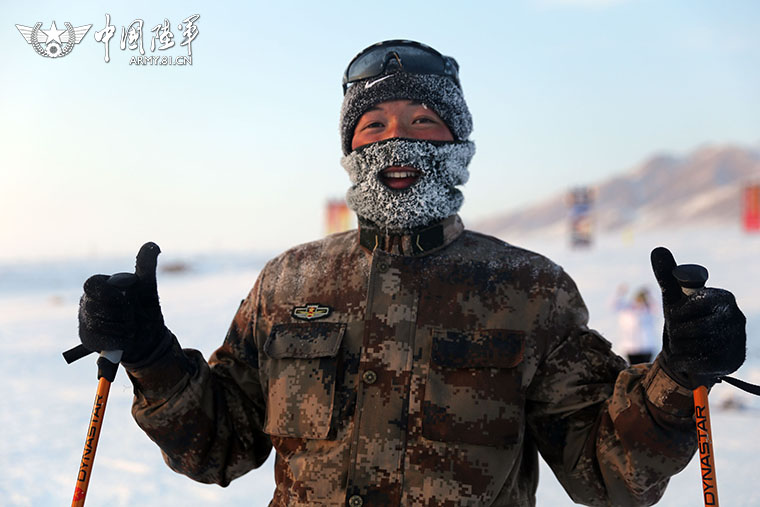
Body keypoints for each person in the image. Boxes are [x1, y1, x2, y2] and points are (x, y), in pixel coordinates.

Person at [77, 40, 747, 506]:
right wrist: (153, 359)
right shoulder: (289, 283)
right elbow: (219, 444)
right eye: (374, 124)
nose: (398, 141)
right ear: (349, 148)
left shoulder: (530, 290)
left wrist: (676, 379)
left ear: (458, 148)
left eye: (425, 121)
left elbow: (608, 471)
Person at [612, 285, 658, 364]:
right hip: (631, 346)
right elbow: (614, 305)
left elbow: (658, 307)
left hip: (646, 346)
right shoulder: (628, 308)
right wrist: (620, 293)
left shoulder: (648, 310)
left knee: (647, 370)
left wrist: (650, 294)